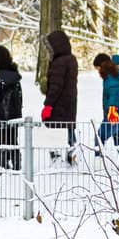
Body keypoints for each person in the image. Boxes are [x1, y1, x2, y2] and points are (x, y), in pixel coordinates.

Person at [41, 29, 79, 164]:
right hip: (70, 104)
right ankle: (72, 159)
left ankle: (56, 160)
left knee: (55, 132)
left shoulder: (59, 62)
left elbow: (55, 87)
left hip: (58, 105)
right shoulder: (71, 59)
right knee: (69, 131)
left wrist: (48, 105)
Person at [0, 45, 24, 171]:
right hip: (14, 116)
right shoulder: (15, 77)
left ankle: (2, 167)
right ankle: (16, 164)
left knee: (1, 143)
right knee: (13, 140)